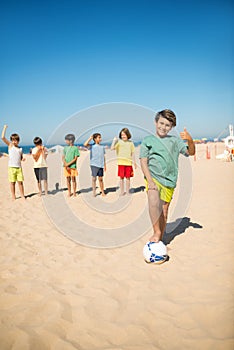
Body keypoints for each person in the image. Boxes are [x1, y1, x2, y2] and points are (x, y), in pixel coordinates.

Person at [140, 109, 195, 243]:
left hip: (169, 181)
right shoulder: (148, 140)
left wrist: (190, 139)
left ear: (171, 127)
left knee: (164, 211)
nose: (163, 127)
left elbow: (191, 153)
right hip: (153, 178)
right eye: (161, 123)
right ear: (155, 122)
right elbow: (143, 161)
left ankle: (161, 237)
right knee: (153, 200)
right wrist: (150, 181)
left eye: (167, 125)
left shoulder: (175, 142)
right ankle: (157, 232)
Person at [1, 124, 25, 200]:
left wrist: (23, 159)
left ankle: (22, 195)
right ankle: (13, 196)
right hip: (11, 167)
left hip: (19, 168)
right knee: (12, 183)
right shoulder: (10, 146)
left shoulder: (20, 149)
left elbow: (21, 157)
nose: (14, 142)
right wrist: (4, 128)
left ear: (18, 140)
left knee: (20, 182)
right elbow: (2, 138)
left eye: (16, 140)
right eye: (13, 140)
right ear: (11, 141)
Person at [111, 127, 136, 195]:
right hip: (121, 163)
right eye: (122, 135)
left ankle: (127, 191)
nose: (123, 136)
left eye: (124, 134)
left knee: (128, 178)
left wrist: (135, 162)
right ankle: (122, 191)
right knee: (121, 178)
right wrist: (114, 141)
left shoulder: (131, 143)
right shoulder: (119, 142)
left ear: (128, 134)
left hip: (129, 163)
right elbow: (112, 148)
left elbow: (133, 153)